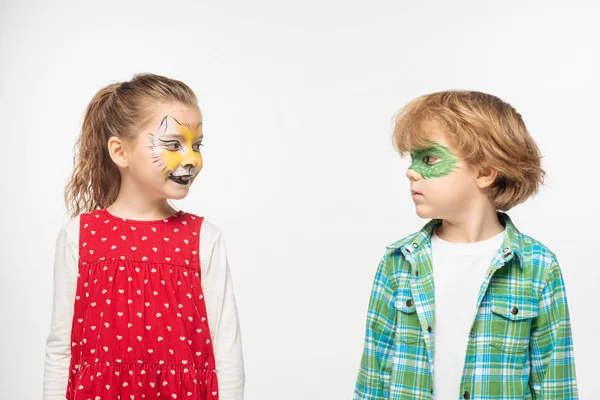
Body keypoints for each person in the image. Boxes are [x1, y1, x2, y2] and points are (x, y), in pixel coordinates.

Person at [353, 91, 578, 399]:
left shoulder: (538, 267)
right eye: (413, 159)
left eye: (429, 158)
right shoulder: (398, 263)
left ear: (485, 172)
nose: (411, 171)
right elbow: (373, 377)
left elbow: (554, 383)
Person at [43, 73, 245, 400]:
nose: (191, 159)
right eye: (172, 144)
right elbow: (61, 348)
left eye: (197, 145)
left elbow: (227, 349)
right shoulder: (79, 236)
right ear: (120, 152)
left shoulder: (203, 238)